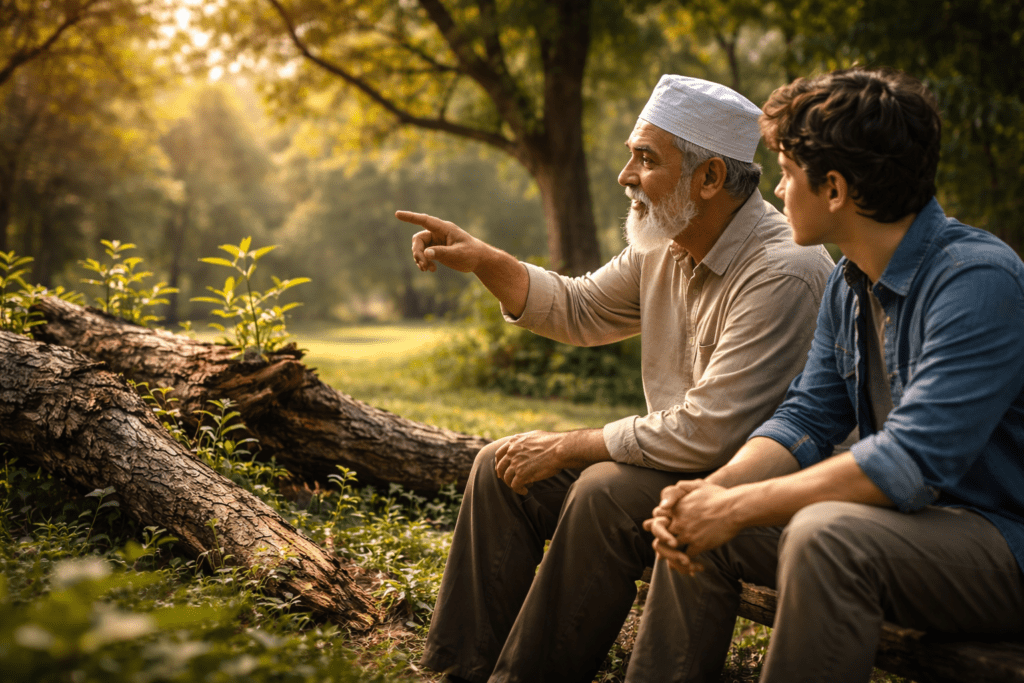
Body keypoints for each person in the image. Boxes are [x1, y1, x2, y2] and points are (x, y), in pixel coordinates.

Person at [395, 75, 836, 683]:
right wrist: (485, 260)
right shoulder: (667, 239)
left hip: (757, 492)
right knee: (501, 466)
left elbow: (710, 433)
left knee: (604, 489)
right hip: (681, 465)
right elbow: (581, 309)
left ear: (709, 178)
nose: (626, 175)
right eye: (632, 155)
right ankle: (456, 670)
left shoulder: (782, 270)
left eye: (646, 159)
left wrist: (570, 446)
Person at [627, 67, 1024, 683]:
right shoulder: (848, 281)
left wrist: (736, 505)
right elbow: (805, 418)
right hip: (907, 530)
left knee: (825, 534)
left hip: (1002, 544)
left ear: (834, 189)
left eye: (787, 173)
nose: (778, 191)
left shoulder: (977, 281)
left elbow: (910, 459)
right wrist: (715, 491)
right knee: (712, 526)